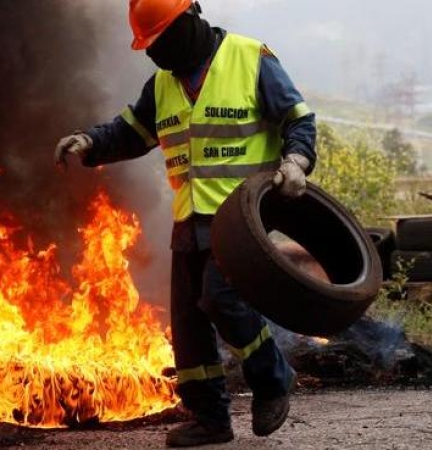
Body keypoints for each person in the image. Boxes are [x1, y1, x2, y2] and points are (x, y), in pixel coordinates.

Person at [55, 0, 316, 446]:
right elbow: (131, 132)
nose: (159, 53)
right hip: (188, 221)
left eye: (164, 40)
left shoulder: (250, 59)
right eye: (151, 46)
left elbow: (298, 118)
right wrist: (90, 142)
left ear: (191, 19)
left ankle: (273, 379)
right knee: (189, 326)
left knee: (221, 299)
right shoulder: (162, 84)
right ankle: (211, 419)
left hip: (239, 220)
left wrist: (296, 160)